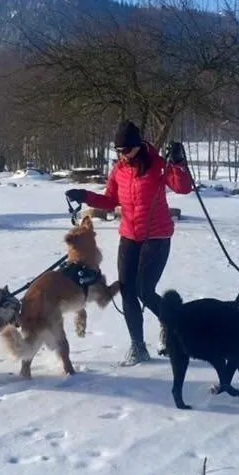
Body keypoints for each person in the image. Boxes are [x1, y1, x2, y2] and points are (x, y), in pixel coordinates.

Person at [65, 120, 193, 366]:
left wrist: (178, 164)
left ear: (137, 146)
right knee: (127, 290)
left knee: (145, 289)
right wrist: (84, 195)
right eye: (118, 151)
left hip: (157, 236)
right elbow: (110, 199)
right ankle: (138, 346)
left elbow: (183, 187)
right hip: (129, 236)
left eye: (125, 150)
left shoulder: (157, 165)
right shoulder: (119, 170)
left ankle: (175, 326)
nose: (122, 155)